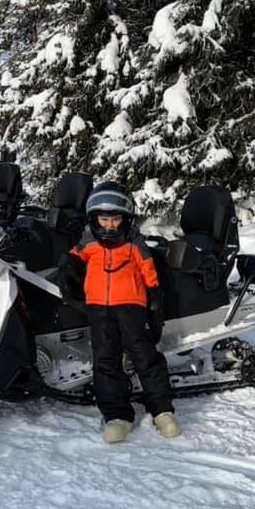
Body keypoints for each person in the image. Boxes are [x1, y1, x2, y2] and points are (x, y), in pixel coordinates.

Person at [62, 181, 181, 443]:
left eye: (115, 220)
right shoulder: (88, 244)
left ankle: (162, 410)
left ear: (126, 219)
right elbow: (74, 257)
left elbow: (151, 278)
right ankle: (117, 416)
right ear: (95, 219)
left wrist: (155, 305)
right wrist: (68, 269)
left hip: (131, 308)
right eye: (104, 220)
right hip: (98, 310)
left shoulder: (135, 246)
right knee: (105, 360)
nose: (110, 225)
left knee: (145, 356)